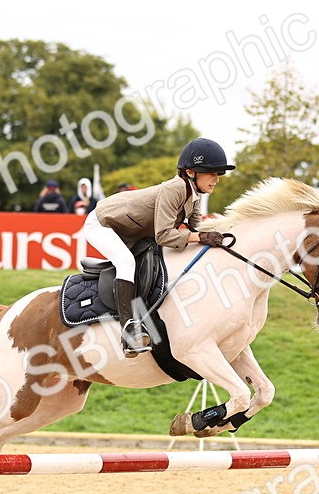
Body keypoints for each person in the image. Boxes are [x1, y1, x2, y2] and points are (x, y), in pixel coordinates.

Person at [84, 137, 234, 356]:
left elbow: (195, 229)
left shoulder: (193, 196)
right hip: (102, 223)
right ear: (191, 172)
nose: (216, 179)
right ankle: (128, 330)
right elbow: (164, 235)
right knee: (125, 262)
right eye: (211, 172)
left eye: (218, 174)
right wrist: (202, 236)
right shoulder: (175, 189)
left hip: (131, 229)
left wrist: (215, 235)